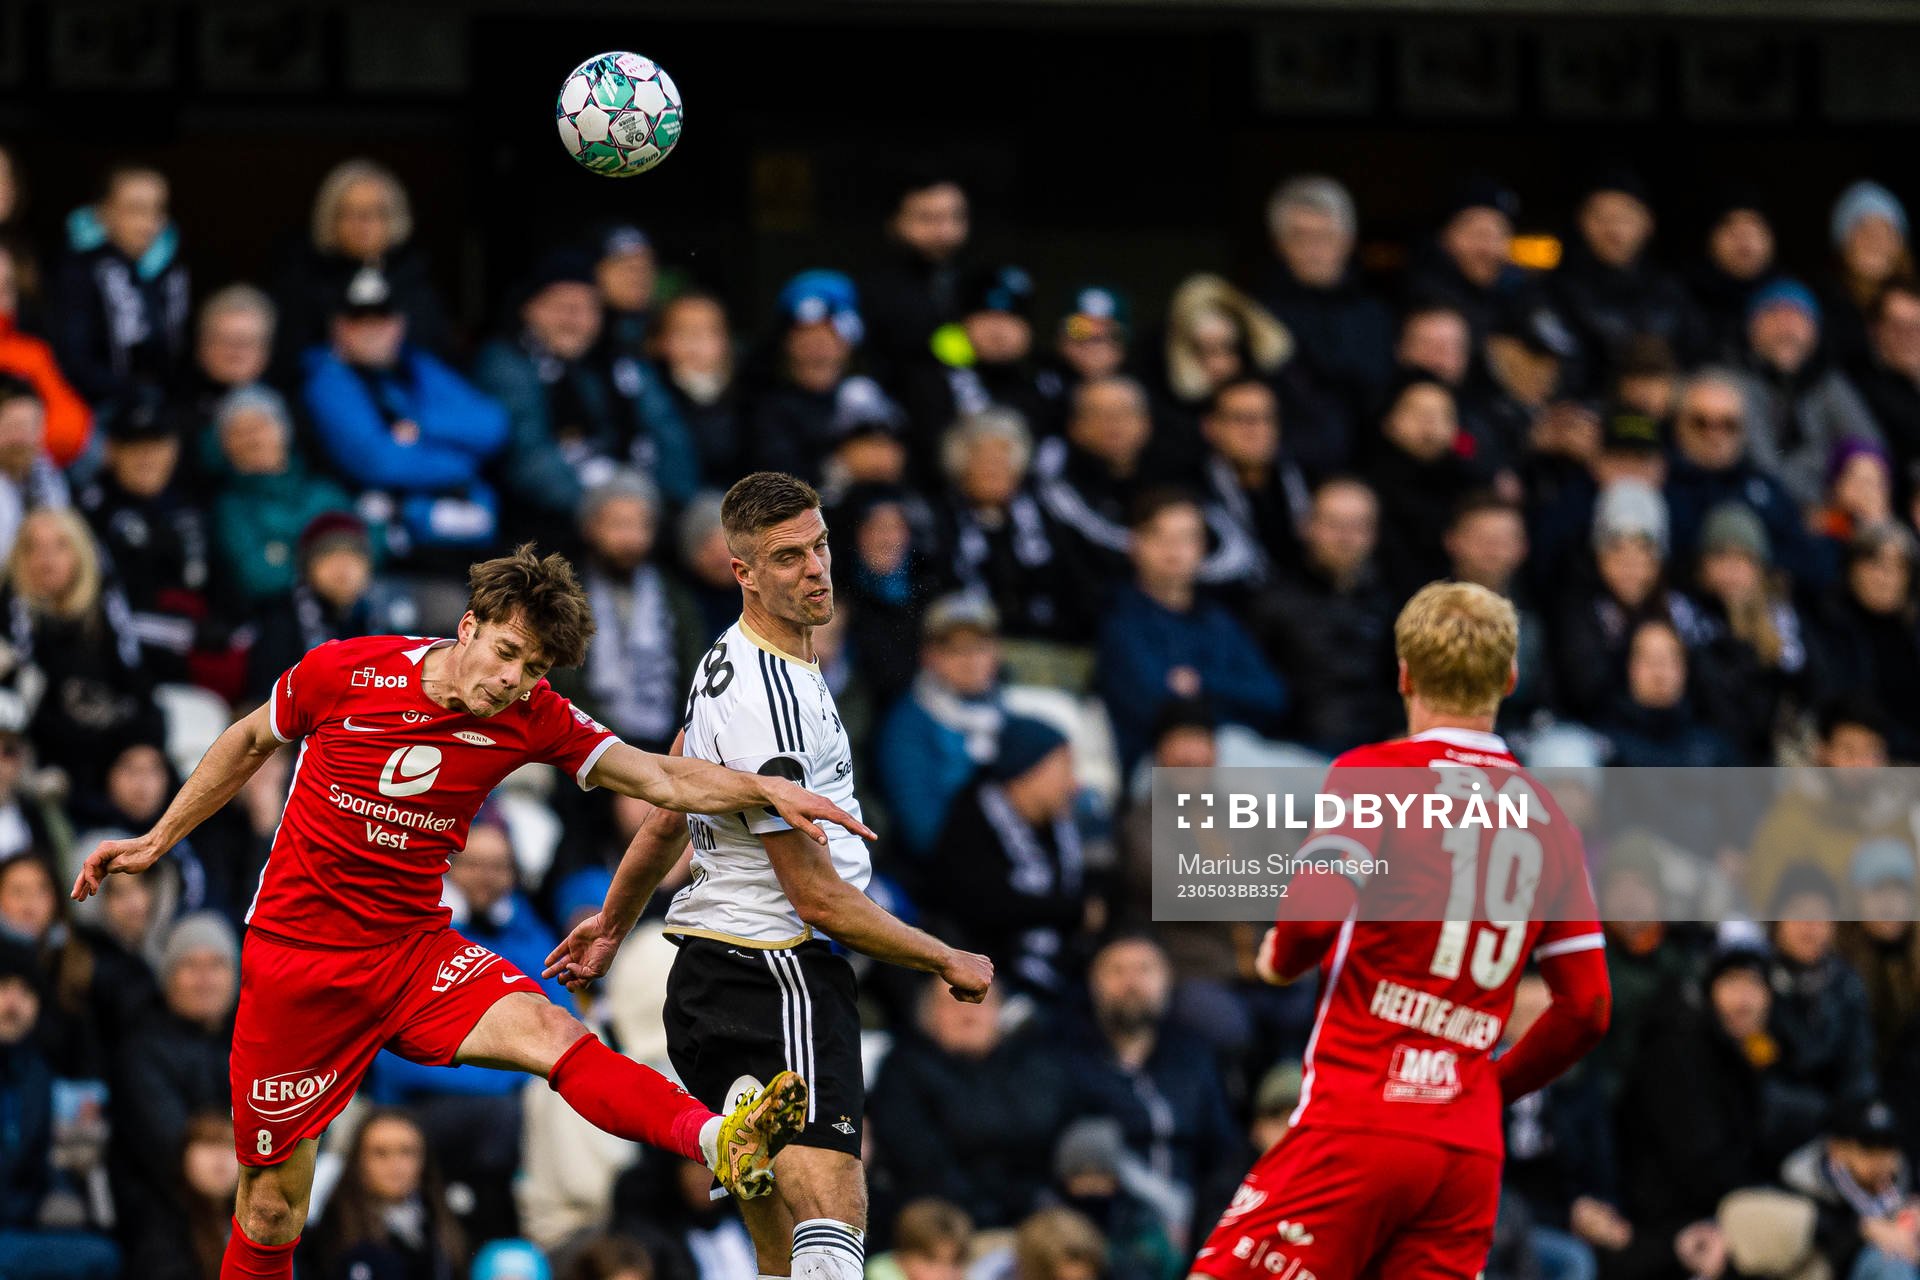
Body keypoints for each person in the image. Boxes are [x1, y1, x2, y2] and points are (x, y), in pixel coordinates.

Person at [69, 543, 870, 1280]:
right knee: (273, 1212)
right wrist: (157, 838)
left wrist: (765, 789)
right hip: (297, 965)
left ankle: (718, 1140)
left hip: (414, 954)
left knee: (554, 1031)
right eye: (508, 653)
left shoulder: (535, 714)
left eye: (535, 668)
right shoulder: (348, 671)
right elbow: (248, 742)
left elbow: (662, 778)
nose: (515, 680)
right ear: (468, 626)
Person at [546, 472, 996, 1280]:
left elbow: (667, 811)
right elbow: (816, 895)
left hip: (710, 979)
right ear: (741, 571)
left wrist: (612, 927)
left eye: (820, 545)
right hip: (776, 973)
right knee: (835, 1201)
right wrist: (944, 959)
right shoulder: (770, 704)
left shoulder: (726, 658)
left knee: (779, 1246)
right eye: (787, 558)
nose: (817, 568)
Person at [1190, 581, 1611, 1280]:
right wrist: (1490, 1090)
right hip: (1466, 1153)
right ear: (1508, 679)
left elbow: (1316, 915)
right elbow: (1588, 1006)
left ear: (1405, 675)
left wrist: (1278, 958)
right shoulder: (1551, 820)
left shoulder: (1374, 775)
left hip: (1360, 1121)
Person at [474, 249, 699, 537]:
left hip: (640, 510)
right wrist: (601, 511)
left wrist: (666, 507)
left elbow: (669, 435)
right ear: (528, 308)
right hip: (540, 525)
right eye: (562, 307)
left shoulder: (613, 364)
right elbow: (527, 458)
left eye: (588, 309)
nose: (575, 321)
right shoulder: (505, 362)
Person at [301, 266, 509, 567]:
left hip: (465, 538)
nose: (372, 329)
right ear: (337, 326)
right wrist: (463, 462)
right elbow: (378, 462)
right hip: (392, 550)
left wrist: (423, 428)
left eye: (382, 317)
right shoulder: (327, 379)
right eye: (358, 319)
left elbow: (493, 425)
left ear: (400, 323)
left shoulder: (416, 366)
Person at [1095, 491, 1286, 771]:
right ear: (1135, 544)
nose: (1173, 550)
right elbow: (1155, 707)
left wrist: (1201, 682)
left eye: (1186, 538)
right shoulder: (1121, 621)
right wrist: (1227, 701)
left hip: (1236, 753)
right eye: (1160, 537)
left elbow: (1272, 698)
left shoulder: (1218, 620)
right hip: (1159, 769)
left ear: (1202, 547)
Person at [867, 978, 1072, 1233]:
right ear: (927, 1015)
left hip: (1033, 1215)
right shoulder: (902, 1070)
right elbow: (920, 1161)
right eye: (952, 1002)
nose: (967, 1013)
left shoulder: (1032, 1064)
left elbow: (1050, 1136)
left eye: (978, 1001)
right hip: (945, 1221)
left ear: (1000, 1011)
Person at [924, 715, 1087, 999]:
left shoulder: (1060, 828)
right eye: (1064, 769)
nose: (1074, 785)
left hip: (1059, 977)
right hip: (992, 984)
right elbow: (984, 906)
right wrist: (1073, 911)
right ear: (1028, 769)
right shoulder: (971, 819)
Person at [552, 470, 706, 752]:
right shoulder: (565, 595)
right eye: (619, 525)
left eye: (642, 526)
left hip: (667, 746)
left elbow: (695, 677)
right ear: (590, 526)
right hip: (582, 745)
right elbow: (562, 687)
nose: (632, 538)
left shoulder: (674, 596)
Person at [1250, 478, 1400, 757]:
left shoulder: (1391, 603)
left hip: (1381, 752)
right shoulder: (1271, 603)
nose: (1345, 537)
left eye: (1358, 526)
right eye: (1333, 524)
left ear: (1374, 534)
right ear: (1307, 526)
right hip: (1296, 755)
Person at [0, 940, 121, 1280]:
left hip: (19, 1229)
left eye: (26, 993)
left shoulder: (37, 1074)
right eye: (4, 988)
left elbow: (38, 1162)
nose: (14, 1003)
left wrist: (60, 1195)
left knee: (102, 1257)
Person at [270, 158, 452, 373]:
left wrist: (393, 351)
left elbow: (438, 351)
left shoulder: (413, 277)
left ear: (395, 217)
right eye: (350, 212)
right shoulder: (304, 278)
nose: (364, 223)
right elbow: (289, 356)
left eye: (376, 212)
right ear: (330, 218)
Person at [926, 408, 1091, 643]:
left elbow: (1073, 582)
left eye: (1003, 458)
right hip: (971, 647)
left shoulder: (1045, 514)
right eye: (982, 458)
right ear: (960, 466)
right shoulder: (939, 519)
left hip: (1048, 640)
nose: (993, 468)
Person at [1253, 176, 1395, 432]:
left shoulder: (1377, 314)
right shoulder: (1259, 314)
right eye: (1300, 236)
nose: (1314, 250)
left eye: (1325, 236)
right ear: (1278, 244)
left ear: (1347, 241)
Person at [1734, 277, 1883, 508]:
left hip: (1831, 509)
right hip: (1757, 505)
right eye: (1774, 316)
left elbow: (1869, 443)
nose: (1787, 328)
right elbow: (1762, 465)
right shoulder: (1735, 381)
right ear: (1751, 327)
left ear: (1815, 331)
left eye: (1797, 317)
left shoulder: (1828, 382)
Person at [46, 165, 190, 406]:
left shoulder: (170, 271)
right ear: (103, 212)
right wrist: (133, 394)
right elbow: (73, 358)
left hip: (160, 406)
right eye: (136, 209)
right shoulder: (79, 270)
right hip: (98, 408)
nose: (149, 221)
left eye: (158, 209)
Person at [206, 385, 355, 610]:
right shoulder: (231, 507)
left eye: (260, 426)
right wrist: (324, 562)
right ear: (224, 445)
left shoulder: (324, 492)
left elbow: (368, 548)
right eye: (239, 432)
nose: (252, 439)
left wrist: (288, 555)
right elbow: (257, 576)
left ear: (284, 429)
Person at [300, 1108, 465, 1280]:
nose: (395, 1165)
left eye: (407, 1152)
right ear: (358, 1162)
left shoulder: (444, 1229)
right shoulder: (330, 1234)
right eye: (380, 1153)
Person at [1780, 1097, 1917, 1280]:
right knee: (1890, 1262)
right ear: (1837, 1149)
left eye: (1888, 1146)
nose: (1881, 1159)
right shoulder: (1804, 1185)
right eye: (1868, 1148)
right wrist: (1862, 1230)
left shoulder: (1902, 1179)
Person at [861, 173, 971, 388]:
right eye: (927, 219)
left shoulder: (978, 285)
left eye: (955, 217)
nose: (944, 232)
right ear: (894, 222)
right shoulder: (871, 292)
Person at [0, 241, 89, 468]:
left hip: (30, 474)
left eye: (6, 288)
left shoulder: (31, 352)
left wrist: (20, 440)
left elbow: (72, 427)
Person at [650, 291, 744, 483]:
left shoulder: (750, 397)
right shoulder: (648, 394)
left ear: (725, 341)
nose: (695, 342)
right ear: (660, 342)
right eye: (683, 332)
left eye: (707, 331)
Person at [1824, 181, 1913, 370]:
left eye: (1885, 232)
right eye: (1864, 232)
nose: (1875, 242)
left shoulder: (1914, 298)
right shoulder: (1826, 306)